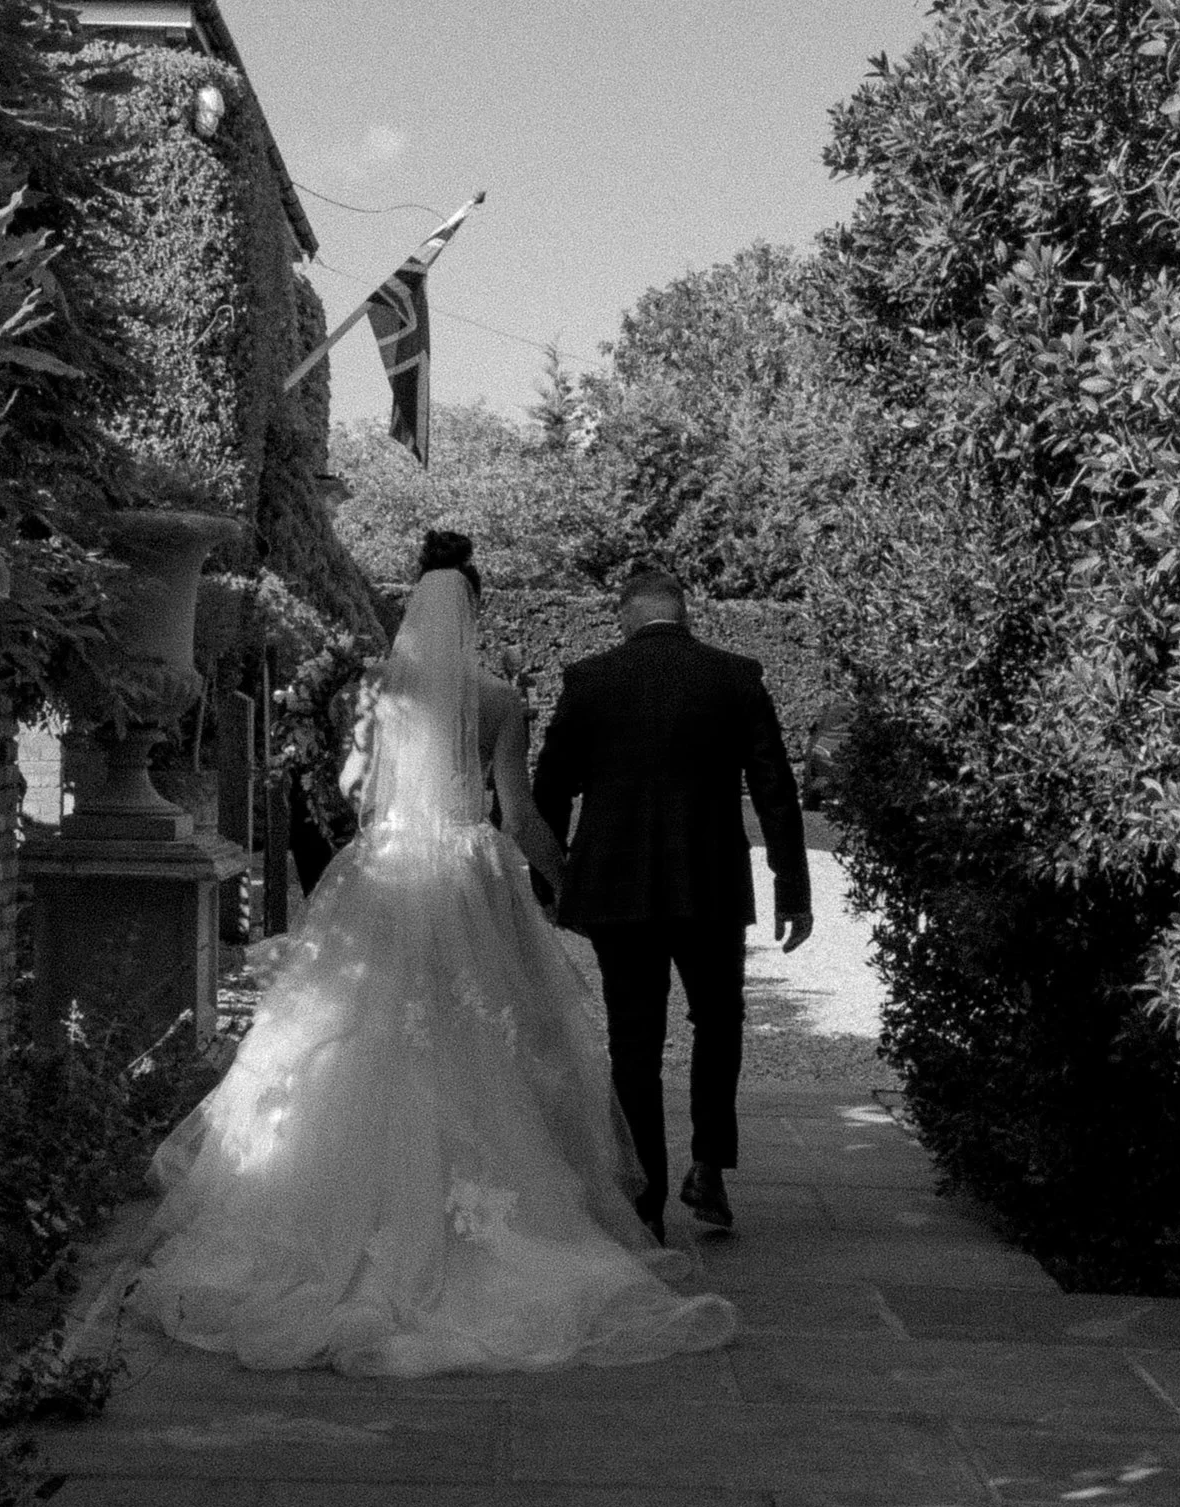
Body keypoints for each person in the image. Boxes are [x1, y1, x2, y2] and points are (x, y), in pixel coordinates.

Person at [128, 530, 735, 1376]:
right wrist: (563, 879)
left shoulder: (384, 688)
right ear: (475, 614)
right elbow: (519, 816)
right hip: (461, 870)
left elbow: (349, 787)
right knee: (492, 1044)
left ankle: (334, 1214)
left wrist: (385, 813)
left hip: (384, 869)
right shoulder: (496, 699)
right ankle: (491, 1223)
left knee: (352, 1035)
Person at [531, 565, 811, 1238]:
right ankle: (709, 1166)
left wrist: (552, 879)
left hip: (617, 889)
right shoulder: (736, 677)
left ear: (625, 615)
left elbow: (551, 790)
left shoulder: (589, 680)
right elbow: (776, 790)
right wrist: (792, 890)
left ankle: (646, 1198)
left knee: (635, 1042)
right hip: (711, 886)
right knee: (719, 1022)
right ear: (685, 614)